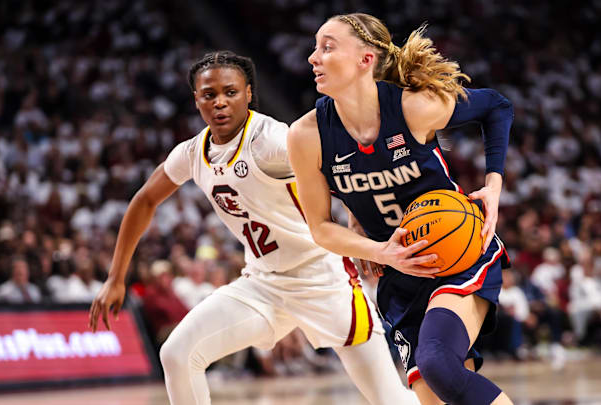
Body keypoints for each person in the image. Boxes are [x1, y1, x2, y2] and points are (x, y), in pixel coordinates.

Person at [89, 51, 419, 405]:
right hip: (263, 283)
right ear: (196, 100)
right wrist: (116, 277)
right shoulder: (191, 153)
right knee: (177, 354)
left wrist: (356, 219)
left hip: (323, 280)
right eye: (209, 94)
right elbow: (144, 201)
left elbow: (339, 167)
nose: (220, 102)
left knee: (390, 400)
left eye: (230, 92)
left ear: (248, 93)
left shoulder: (272, 140)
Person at [287, 13, 514, 405]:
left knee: (438, 365)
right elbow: (320, 227)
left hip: (456, 253)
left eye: (327, 47)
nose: (313, 58)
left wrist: (494, 185)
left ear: (366, 59)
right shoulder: (306, 136)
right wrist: (377, 249)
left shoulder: (413, 108)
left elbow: (496, 107)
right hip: (399, 276)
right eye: (314, 48)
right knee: (443, 393)